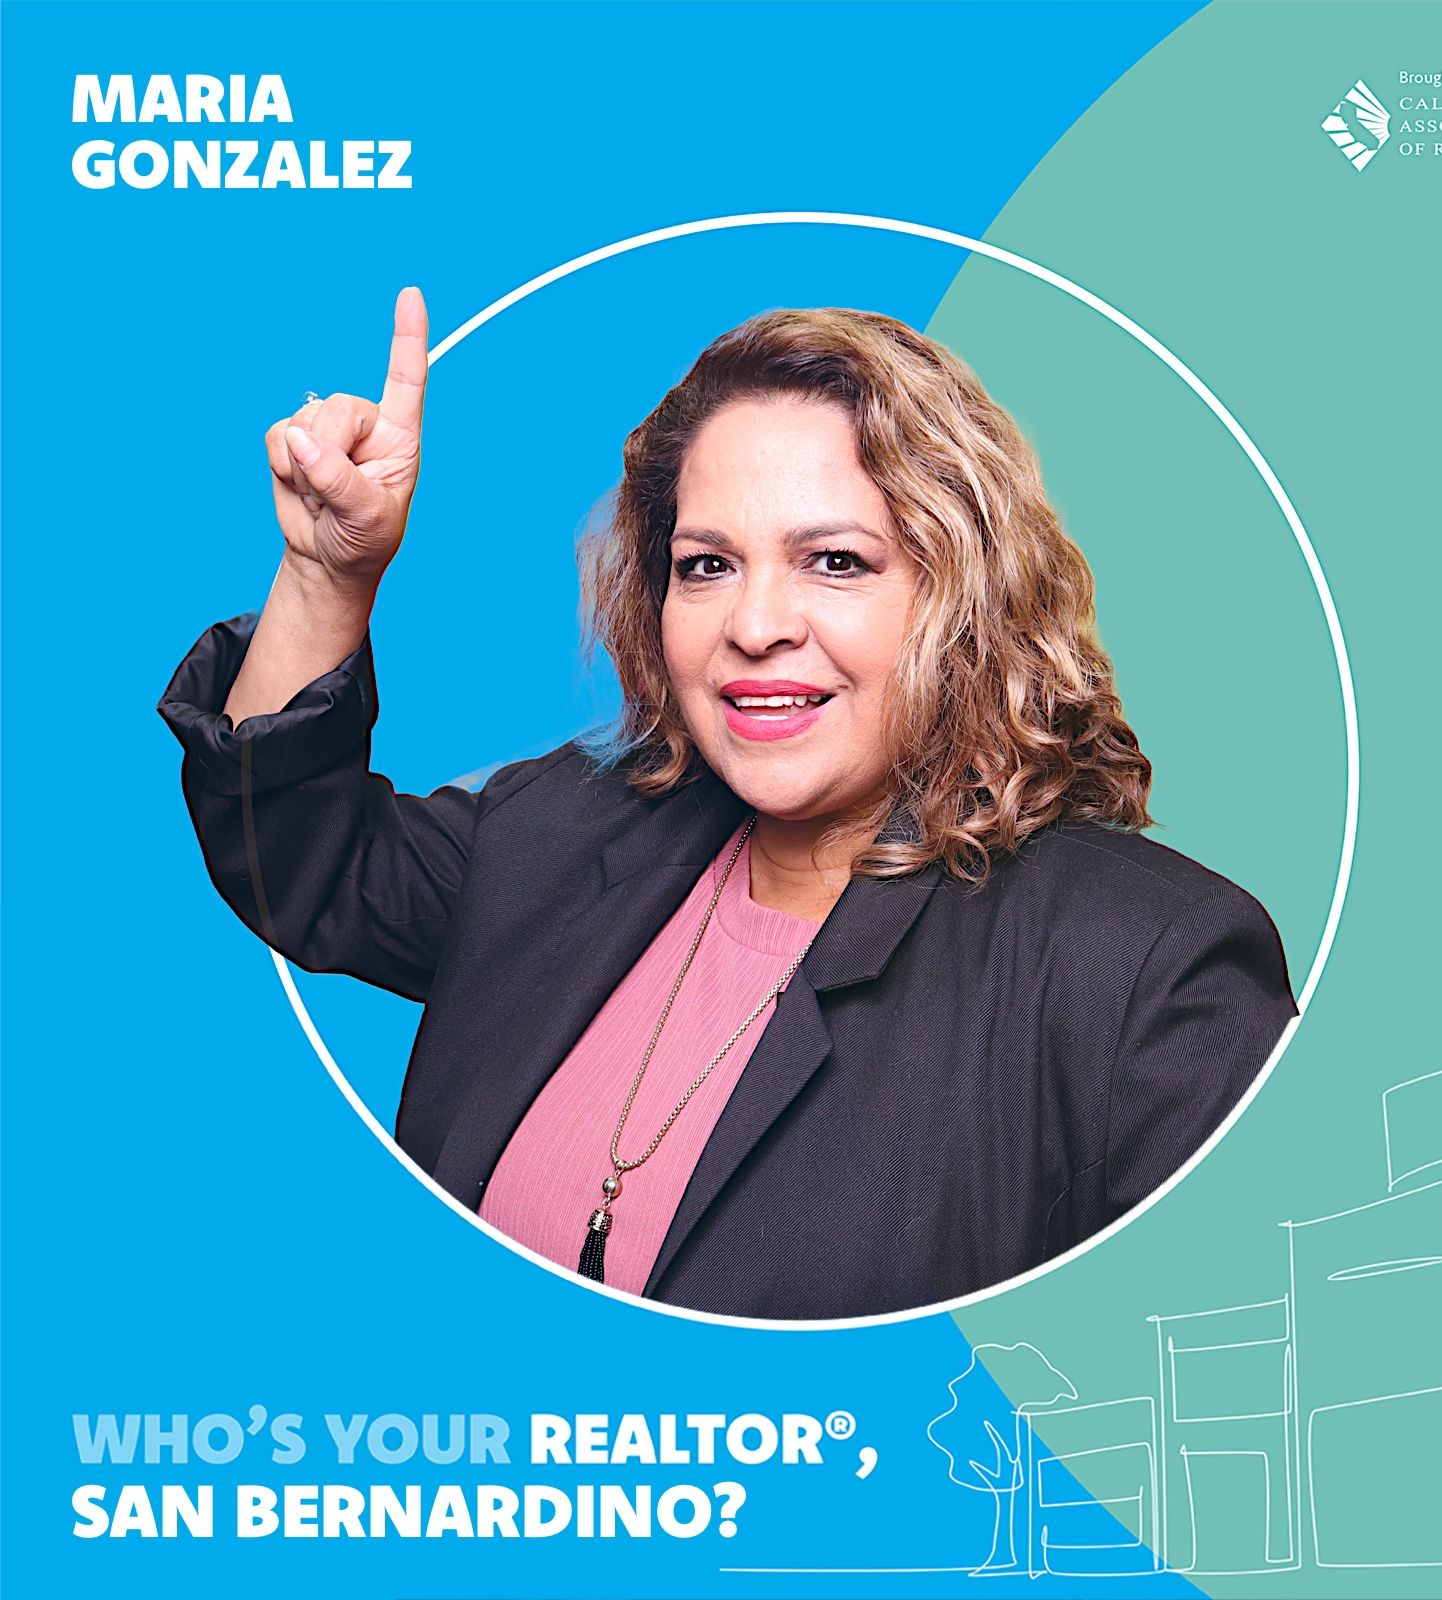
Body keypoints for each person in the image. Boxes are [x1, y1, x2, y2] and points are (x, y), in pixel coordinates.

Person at [158, 288, 1297, 1320]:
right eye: (706, 564)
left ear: (963, 590)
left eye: (836, 561)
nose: (755, 625)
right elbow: (293, 855)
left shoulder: (1149, 965)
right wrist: (326, 572)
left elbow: (1224, 1360)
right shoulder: (561, 831)